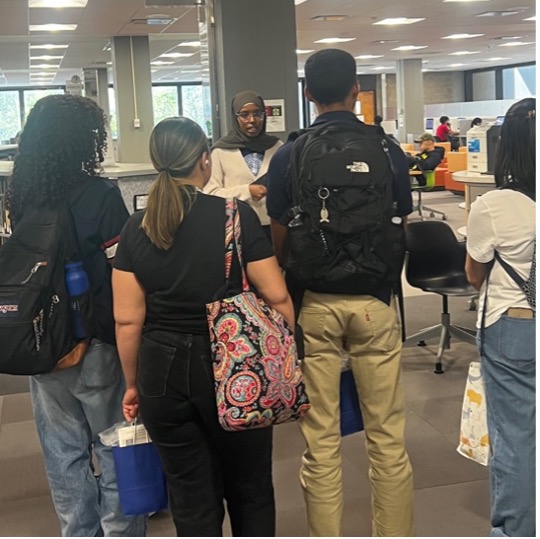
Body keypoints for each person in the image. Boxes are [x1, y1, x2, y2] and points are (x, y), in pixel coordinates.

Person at [113, 116, 294, 537]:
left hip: (161, 371)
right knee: (250, 488)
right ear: (204, 160)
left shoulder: (137, 226)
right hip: (236, 366)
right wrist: (283, 356)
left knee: (190, 494)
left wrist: (132, 384)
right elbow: (277, 296)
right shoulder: (235, 215)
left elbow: (127, 319)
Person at [266, 49, 414, 537]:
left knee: (321, 443)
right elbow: (402, 215)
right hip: (375, 301)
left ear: (308, 93)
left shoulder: (288, 155)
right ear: (356, 90)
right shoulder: (387, 149)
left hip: (314, 303)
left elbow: (280, 231)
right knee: (387, 438)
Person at [6, 94, 146, 538]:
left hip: (42, 342)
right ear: (86, 140)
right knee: (115, 445)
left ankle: (78, 532)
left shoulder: (23, 195)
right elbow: (123, 273)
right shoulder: (100, 195)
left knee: (62, 453)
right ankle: (120, 532)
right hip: (96, 343)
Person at [465, 97, 536, 538]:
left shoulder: (495, 205)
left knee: (516, 437)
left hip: (515, 324)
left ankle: (517, 530)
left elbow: (475, 274)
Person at [205, 91, 282, 237]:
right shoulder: (221, 151)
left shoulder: (277, 147)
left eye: (257, 114)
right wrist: (247, 191)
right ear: (235, 118)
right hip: (237, 227)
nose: (252, 120)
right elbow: (211, 193)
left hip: (274, 226)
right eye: (244, 115)